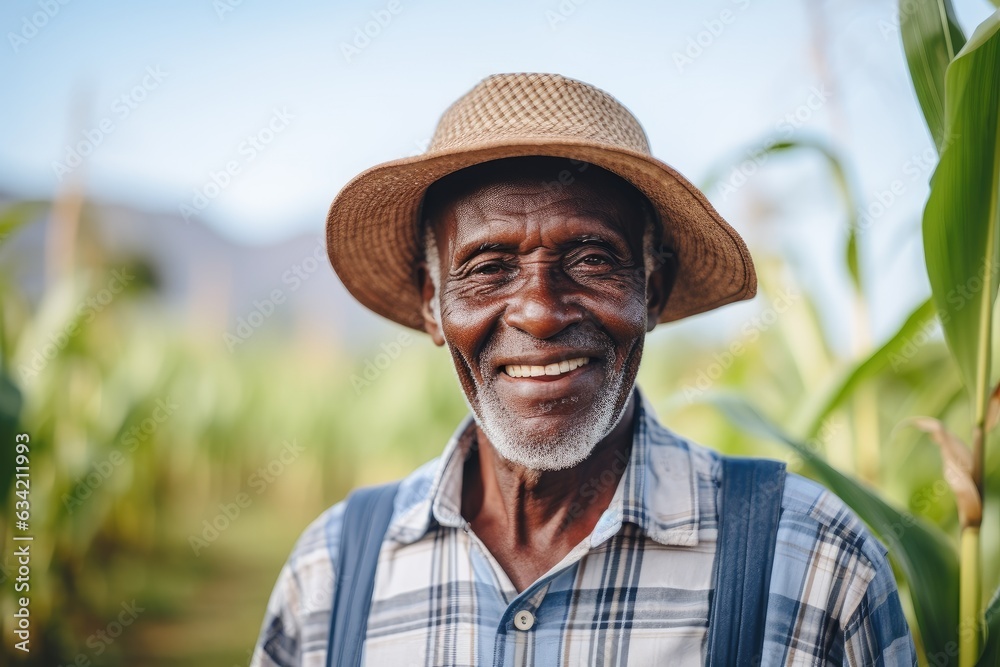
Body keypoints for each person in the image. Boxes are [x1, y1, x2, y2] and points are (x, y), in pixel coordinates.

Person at [251, 73, 915, 666]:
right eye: (488, 267)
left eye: (593, 258)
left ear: (653, 289)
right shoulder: (332, 575)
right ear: (433, 304)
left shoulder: (817, 563)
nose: (540, 312)